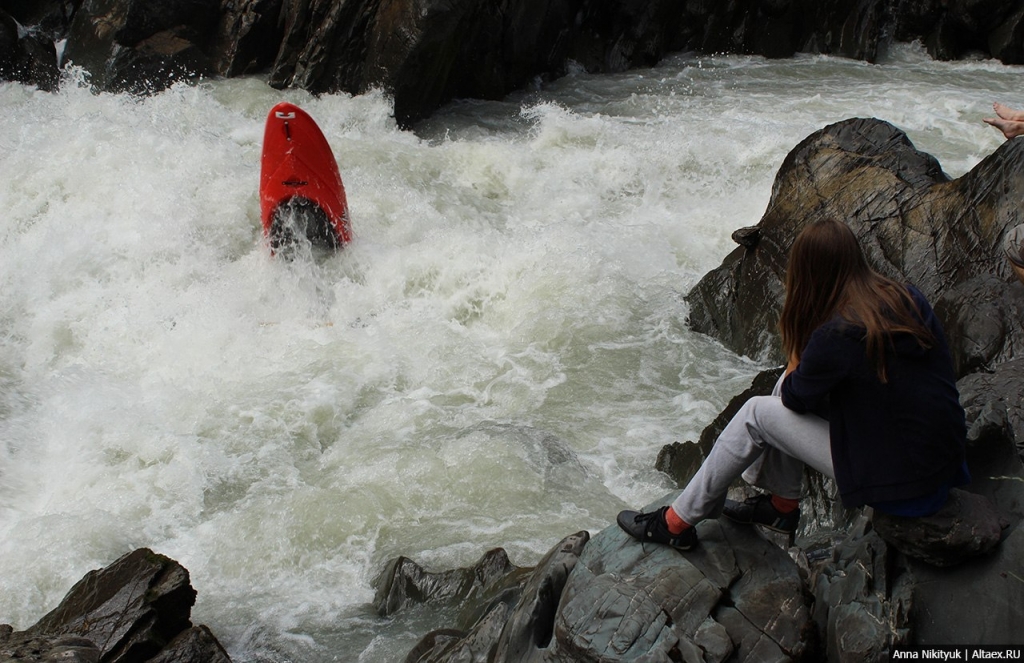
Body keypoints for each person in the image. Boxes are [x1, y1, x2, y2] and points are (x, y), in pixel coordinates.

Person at [617, 218, 970, 551]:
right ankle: (781, 505)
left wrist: (803, 340)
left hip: (905, 487)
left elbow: (793, 399)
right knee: (787, 387)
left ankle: (675, 523)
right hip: (943, 463)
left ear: (808, 273)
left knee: (757, 412)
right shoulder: (905, 296)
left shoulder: (837, 334)